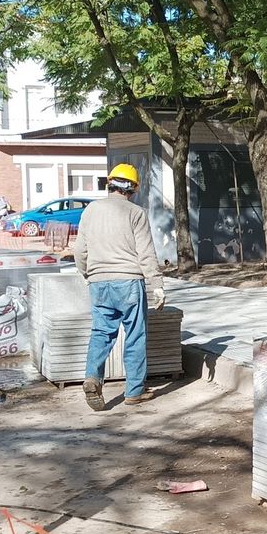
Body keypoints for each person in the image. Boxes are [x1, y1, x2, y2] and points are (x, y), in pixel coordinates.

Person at [73, 163, 165, 410]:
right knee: (135, 334)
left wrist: (87, 273)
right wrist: (157, 284)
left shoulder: (91, 210)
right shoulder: (135, 213)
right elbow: (145, 252)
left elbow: (79, 249)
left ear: (110, 183)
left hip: (98, 282)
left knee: (101, 332)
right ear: (133, 188)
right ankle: (134, 391)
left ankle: (93, 377)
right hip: (128, 282)